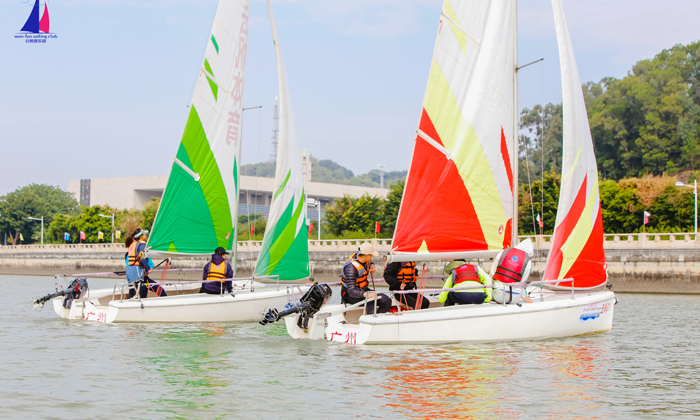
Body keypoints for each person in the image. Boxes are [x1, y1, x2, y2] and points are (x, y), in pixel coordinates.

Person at [341, 242, 391, 314]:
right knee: (371, 301)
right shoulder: (351, 268)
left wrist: (372, 265)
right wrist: (366, 295)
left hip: (364, 289)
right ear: (366, 255)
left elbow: (369, 261)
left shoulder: (362, 257)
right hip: (350, 295)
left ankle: (379, 318)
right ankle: (371, 322)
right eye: (372, 255)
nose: (372, 257)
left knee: (386, 300)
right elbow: (351, 291)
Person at [125, 228, 167, 298]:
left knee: (135, 292)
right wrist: (149, 268)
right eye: (144, 234)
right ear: (141, 236)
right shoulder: (142, 245)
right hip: (138, 274)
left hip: (131, 273)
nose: (146, 235)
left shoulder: (133, 245)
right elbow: (142, 258)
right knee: (141, 292)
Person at [489, 239, 534, 304]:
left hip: (499, 295)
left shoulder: (503, 253)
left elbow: (492, 274)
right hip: (515, 298)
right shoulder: (528, 262)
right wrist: (524, 296)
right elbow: (523, 282)